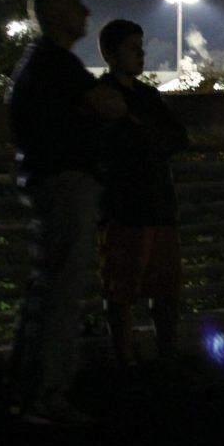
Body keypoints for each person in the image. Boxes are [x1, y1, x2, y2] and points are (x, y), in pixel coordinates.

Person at [7, 0, 127, 425]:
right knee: (62, 293)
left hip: (47, 184)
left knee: (45, 287)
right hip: (65, 186)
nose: (87, 12)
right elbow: (112, 106)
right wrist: (101, 105)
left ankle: (27, 388)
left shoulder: (39, 66)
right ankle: (48, 396)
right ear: (55, 13)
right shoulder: (57, 65)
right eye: (77, 5)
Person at [96, 19, 189, 366]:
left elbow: (179, 137)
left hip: (157, 205)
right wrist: (150, 137)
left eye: (141, 47)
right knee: (122, 290)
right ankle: (125, 361)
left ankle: (163, 355)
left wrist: (141, 134)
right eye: (132, 48)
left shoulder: (145, 95)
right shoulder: (103, 97)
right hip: (125, 208)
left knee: (163, 287)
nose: (141, 54)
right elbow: (164, 139)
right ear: (110, 53)